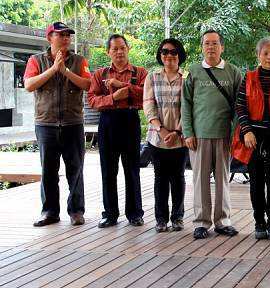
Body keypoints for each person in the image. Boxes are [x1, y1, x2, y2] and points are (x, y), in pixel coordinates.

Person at [24, 22, 91, 227]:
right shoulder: (36, 60)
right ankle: (50, 212)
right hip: (46, 124)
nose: (65, 38)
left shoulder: (79, 60)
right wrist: (54, 69)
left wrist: (65, 70)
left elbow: (88, 84)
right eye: (60, 35)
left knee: (76, 170)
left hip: (73, 123)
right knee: (48, 171)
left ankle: (76, 211)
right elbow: (29, 85)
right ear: (49, 38)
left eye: (68, 35)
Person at [182, 30, 243, 240]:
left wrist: (235, 133)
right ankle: (201, 222)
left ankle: (223, 221)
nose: (211, 47)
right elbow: (185, 104)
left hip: (225, 135)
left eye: (215, 43)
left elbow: (240, 106)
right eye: (207, 43)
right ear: (202, 47)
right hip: (199, 136)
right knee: (200, 180)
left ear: (222, 47)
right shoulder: (194, 71)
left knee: (223, 179)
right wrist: (188, 132)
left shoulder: (233, 72)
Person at [232, 37, 270, 240]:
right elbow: (240, 105)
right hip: (253, 137)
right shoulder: (248, 78)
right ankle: (259, 222)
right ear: (258, 55)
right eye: (265, 53)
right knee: (256, 182)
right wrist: (247, 130)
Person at [88, 34, 147, 228]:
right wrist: (113, 98)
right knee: (108, 170)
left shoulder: (140, 72)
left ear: (128, 49)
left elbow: (146, 96)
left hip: (130, 120)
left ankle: (135, 214)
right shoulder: (100, 74)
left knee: (132, 170)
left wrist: (123, 87)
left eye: (122, 48)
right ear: (108, 52)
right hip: (108, 122)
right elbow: (92, 101)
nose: (119, 52)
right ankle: (110, 214)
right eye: (115, 49)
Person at [143, 38, 188, 233]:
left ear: (180, 55)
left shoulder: (187, 79)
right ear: (160, 55)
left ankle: (177, 218)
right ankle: (160, 219)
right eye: (165, 52)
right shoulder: (152, 77)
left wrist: (177, 131)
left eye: (173, 52)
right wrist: (161, 130)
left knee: (178, 178)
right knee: (160, 178)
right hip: (157, 137)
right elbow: (148, 105)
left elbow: (189, 108)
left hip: (180, 138)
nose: (169, 55)